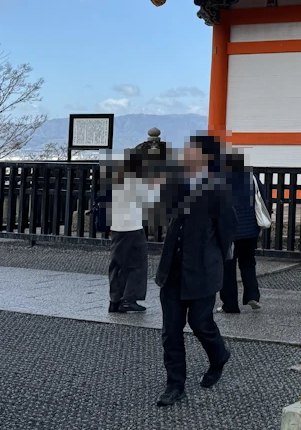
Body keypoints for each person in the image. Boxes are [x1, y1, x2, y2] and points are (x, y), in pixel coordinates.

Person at [154, 135, 237, 407]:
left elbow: (226, 232)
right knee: (171, 331)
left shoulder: (217, 189)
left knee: (201, 324)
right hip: (173, 270)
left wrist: (215, 261)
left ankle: (218, 355)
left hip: (202, 269)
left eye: (192, 151)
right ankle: (175, 384)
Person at [108, 149, 161, 313]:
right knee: (137, 263)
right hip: (132, 225)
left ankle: (115, 299)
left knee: (118, 263)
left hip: (118, 225)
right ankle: (129, 298)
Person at [219, 151, 260, 313]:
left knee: (228, 266)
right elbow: (262, 199)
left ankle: (230, 304)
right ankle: (252, 295)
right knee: (248, 262)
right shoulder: (252, 179)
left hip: (230, 231)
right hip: (250, 230)